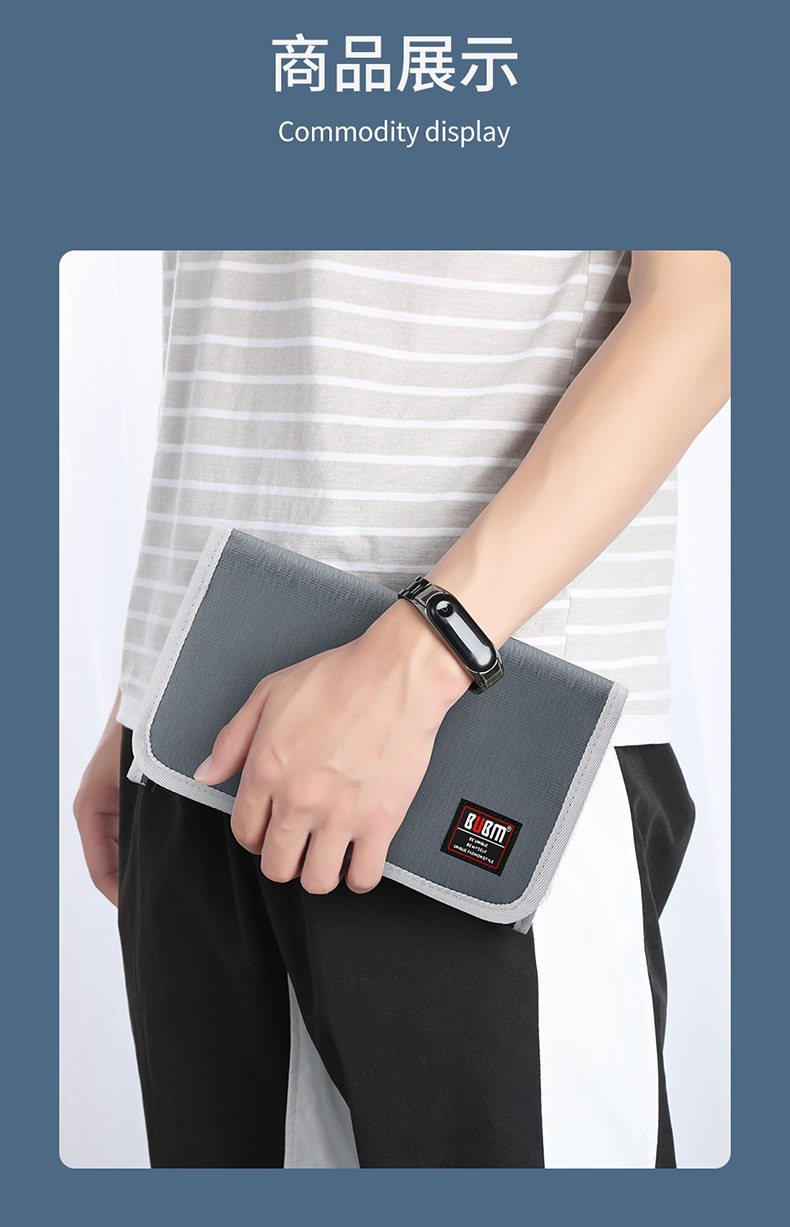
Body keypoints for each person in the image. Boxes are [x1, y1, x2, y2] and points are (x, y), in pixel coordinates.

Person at [72, 250, 730, 1168]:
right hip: (198, 728)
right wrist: (142, 687)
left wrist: (424, 656)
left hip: (478, 733)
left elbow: (710, 306)